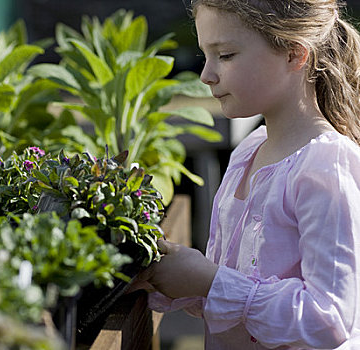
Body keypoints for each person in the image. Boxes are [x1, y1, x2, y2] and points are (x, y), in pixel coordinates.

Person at [131, 0, 360, 348]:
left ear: (294, 55)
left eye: (225, 55)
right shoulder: (249, 151)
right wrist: (167, 277)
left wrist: (209, 282)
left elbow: (326, 321)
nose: (206, 74)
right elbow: (239, 294)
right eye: (206, 55)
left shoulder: (326, 166)